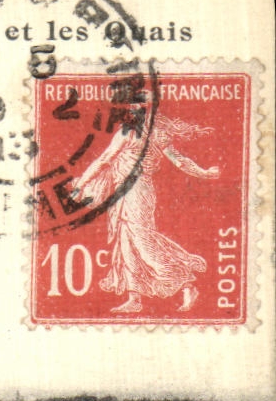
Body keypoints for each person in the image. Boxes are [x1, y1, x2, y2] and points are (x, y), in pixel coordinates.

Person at [69, 113, 220, 314]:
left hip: (139, 190)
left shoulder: (157, 134)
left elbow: (179, 161)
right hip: (120, 191)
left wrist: (205, 173)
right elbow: (105, 159)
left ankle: (185, 283)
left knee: (142, 241)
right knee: (125, 242)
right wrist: (82, 183)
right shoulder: (127, 132)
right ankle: (134, 298)